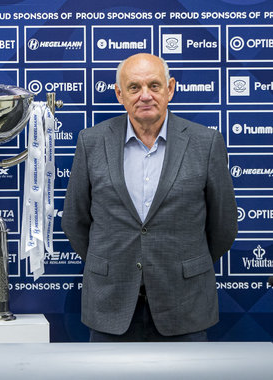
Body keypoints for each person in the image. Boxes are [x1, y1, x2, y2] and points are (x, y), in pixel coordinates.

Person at [62, 53, 237, 342]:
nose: (145, 96)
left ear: (170, 88)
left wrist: (182, 264)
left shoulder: (206, 143)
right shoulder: (91, 142)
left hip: (184, 304)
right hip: (111, 303)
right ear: (119, 94)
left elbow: (223, 226)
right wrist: (116, 261)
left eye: (154, 86)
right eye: (134, 87)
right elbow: (75, 220)